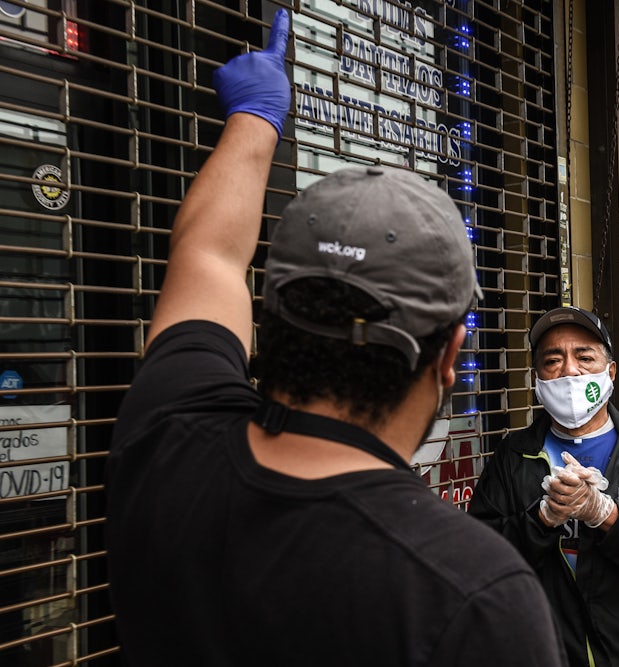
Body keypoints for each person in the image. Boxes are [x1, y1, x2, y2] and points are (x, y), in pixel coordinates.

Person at [105, 10, 567, 666]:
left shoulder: (169, 432)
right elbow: (210, 256)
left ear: (272, 318)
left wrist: (255, 117)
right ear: (450, 358)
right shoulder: (473, 592)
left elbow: (208, 252)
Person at [468, 306, 619, 667]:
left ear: (611, 371)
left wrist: (607, 514)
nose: (569, 370)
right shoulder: (514, 455)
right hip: (542, 651)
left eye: (584, 357)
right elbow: (480, 555)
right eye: (552, 360)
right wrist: (542, 518)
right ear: (537, 377)